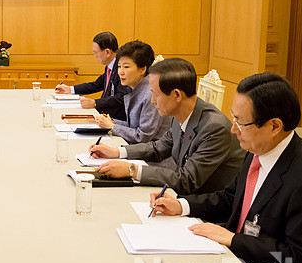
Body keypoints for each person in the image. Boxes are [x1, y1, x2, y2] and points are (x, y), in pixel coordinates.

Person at [149, 73, 302, 263]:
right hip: (236, 261)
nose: (233, 130)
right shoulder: (258, 149)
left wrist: (233, 239)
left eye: (241, 123)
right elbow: (231, 197)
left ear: (274, 126)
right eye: (233, 118)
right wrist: (181, 205)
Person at [89, 58, 244, 194]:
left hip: (205, 206)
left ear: (177, 95)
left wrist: (132, 170)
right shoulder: (181, 113)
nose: (152, 101)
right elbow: (158, 148)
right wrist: (116, 152)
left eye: (156, 94)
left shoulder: (214, 128)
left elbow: (186, 180)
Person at [95, 40, 170, 144]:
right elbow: (133, 126)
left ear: (143, 69)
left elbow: (143, 136)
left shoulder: (151, 93)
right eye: (119, 66)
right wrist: (111, 121)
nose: (121, 72)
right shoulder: (136, 87)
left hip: (152, 153)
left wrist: (112, 126)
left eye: (126, 67)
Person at [55, 31, 127, 120]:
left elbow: (121, 97)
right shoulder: (109, 67)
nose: (95, 56)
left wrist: (95, 103)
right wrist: (70, 89)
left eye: (96, 52)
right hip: (104, 116)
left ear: (107, 52)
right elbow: (96, 85)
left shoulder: (121, 69)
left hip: (115, 119)